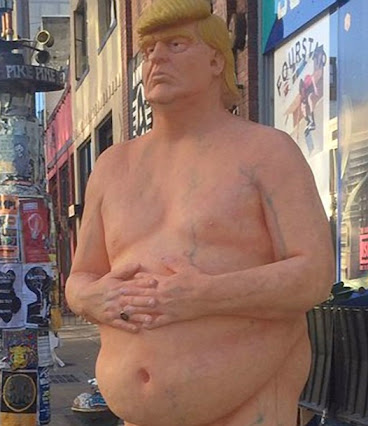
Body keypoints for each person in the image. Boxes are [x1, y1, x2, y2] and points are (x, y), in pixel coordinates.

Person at [64, 1, 334, 425]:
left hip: (247, 400)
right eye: (149, 50)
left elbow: (315, 274)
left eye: (176, 44)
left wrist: (205, 295)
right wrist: (93, 298)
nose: (157, 58)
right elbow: (80, 277)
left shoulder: (266, 151)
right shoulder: (112, 166)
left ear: (215, 60)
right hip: (136, 414)